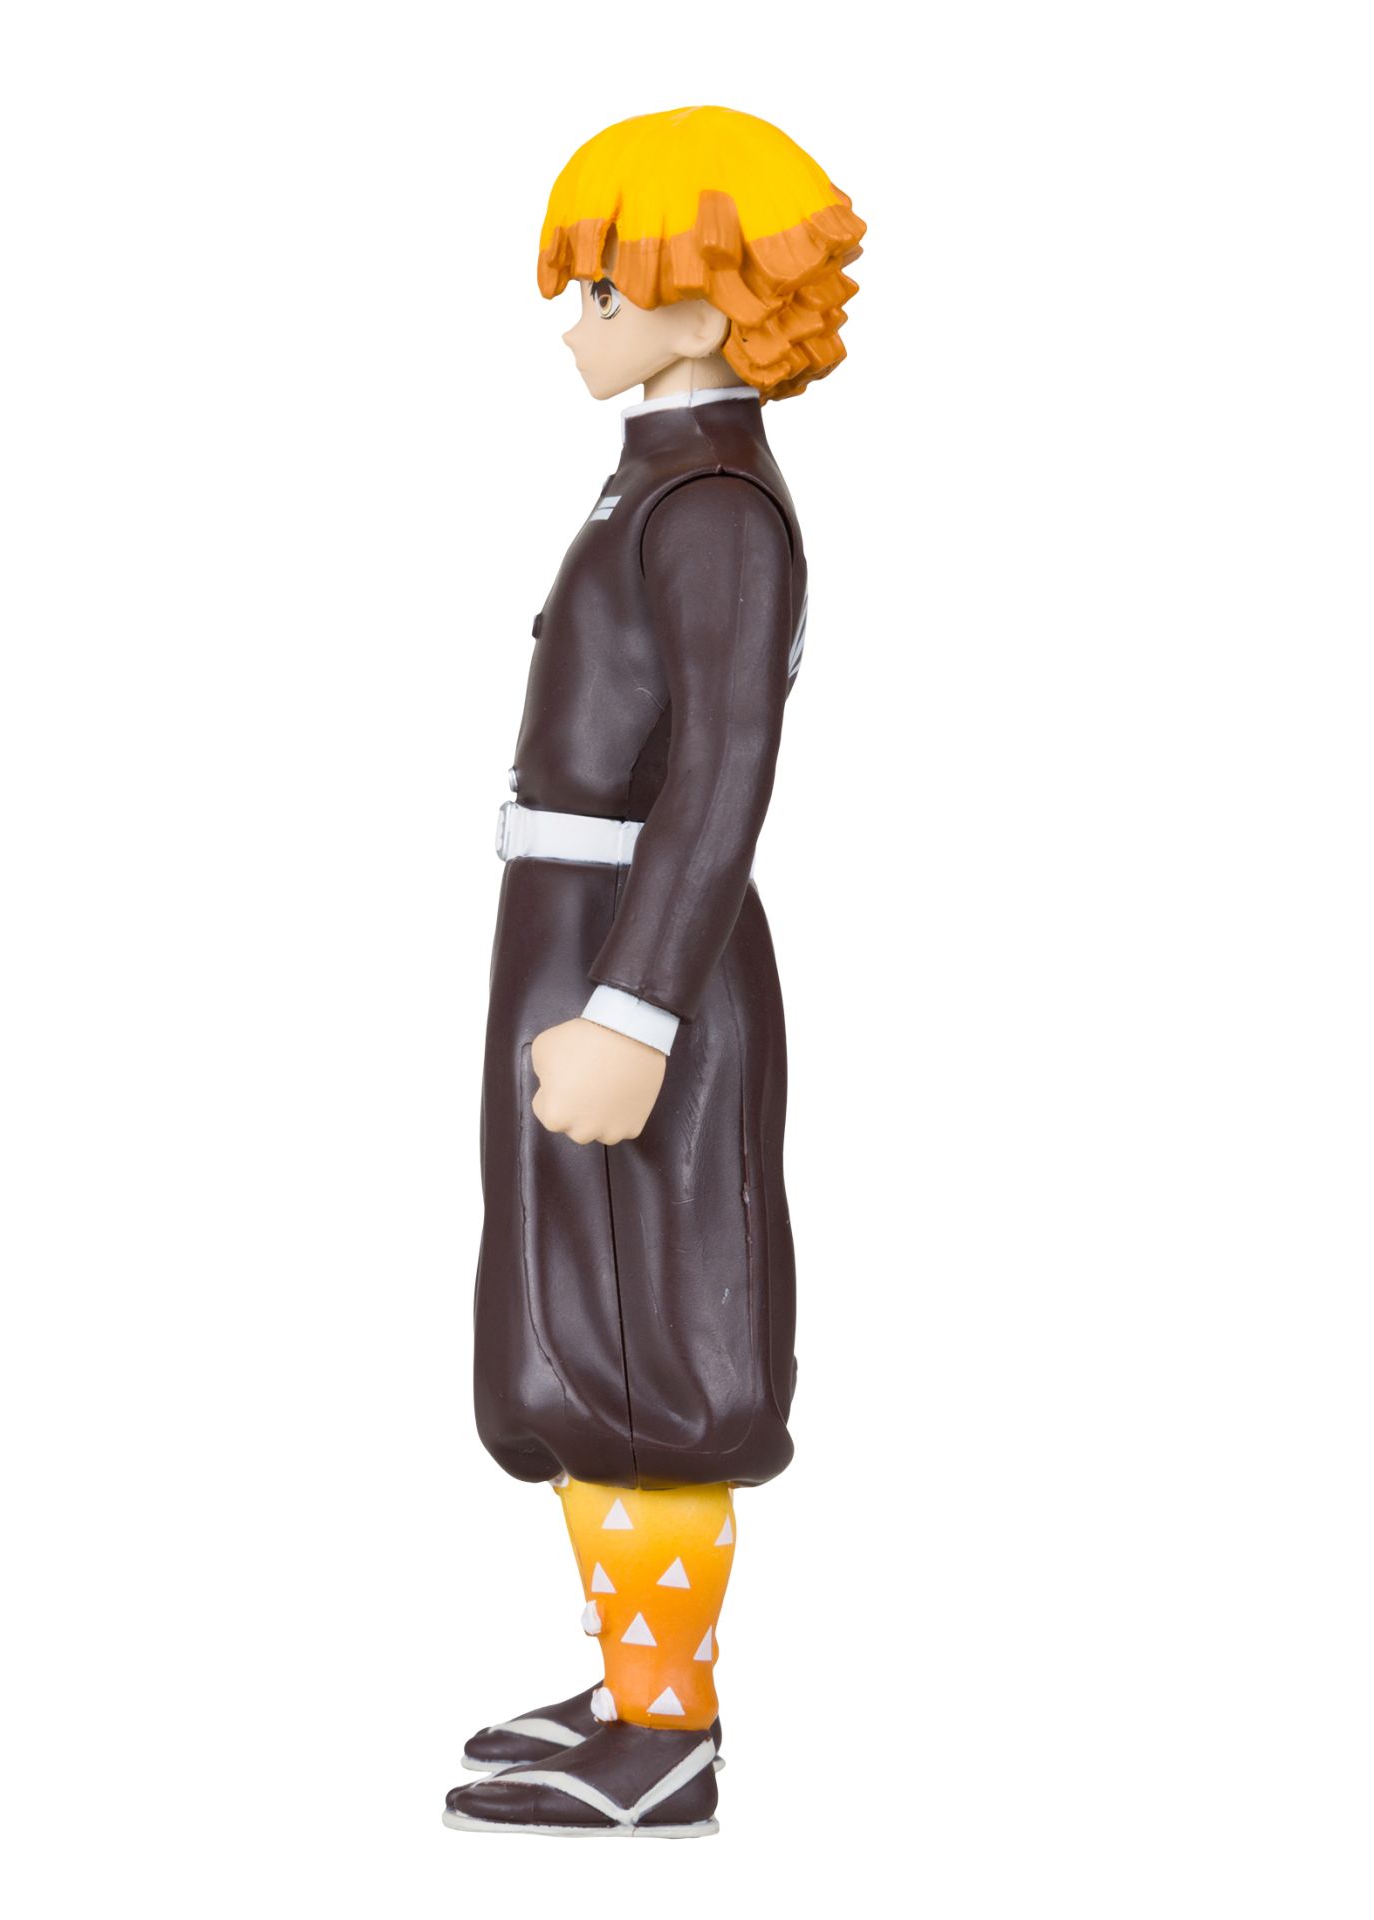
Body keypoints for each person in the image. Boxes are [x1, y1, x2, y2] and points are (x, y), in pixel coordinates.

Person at [444, 106, 865, 1839]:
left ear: (707, 296)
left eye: (605, 287)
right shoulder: (661, 482)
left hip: (639, 948)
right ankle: (635, 1692)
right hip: (575, 925)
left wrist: (632, 1011)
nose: (575, 320)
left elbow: (721, 778)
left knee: (651, 1346)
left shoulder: (715, 511)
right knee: (574, 1328)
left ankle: (668, 1735)